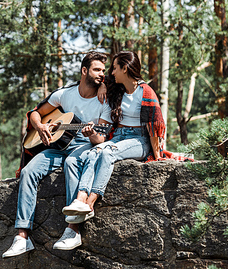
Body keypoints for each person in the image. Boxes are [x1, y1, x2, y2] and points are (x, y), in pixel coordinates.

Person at [53, 50, 166, 251]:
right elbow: (100, 79)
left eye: (114, 68)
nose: (110, 73)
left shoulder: (146, 92)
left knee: (106, 152)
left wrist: (157, 156)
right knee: (91, 152)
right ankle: (80, 199)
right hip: (119, 136)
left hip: (139, 140)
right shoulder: (117, 88)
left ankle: (89, 203)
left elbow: (154, 127)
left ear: (125, 68)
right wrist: (103, 85)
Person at [2, 51, 110, 258]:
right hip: (58, 146)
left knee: (72, 163)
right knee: (28, 171)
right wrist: (41, 126)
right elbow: (35, 112)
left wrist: (93, 133)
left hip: (85, 145)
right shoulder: (65, 94)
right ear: (84, 70)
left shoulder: (104, 99)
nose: (101, 74)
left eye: (103, 71)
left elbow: (101, 140)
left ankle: (73, 230)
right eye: (97, 70)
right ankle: (22, 237)